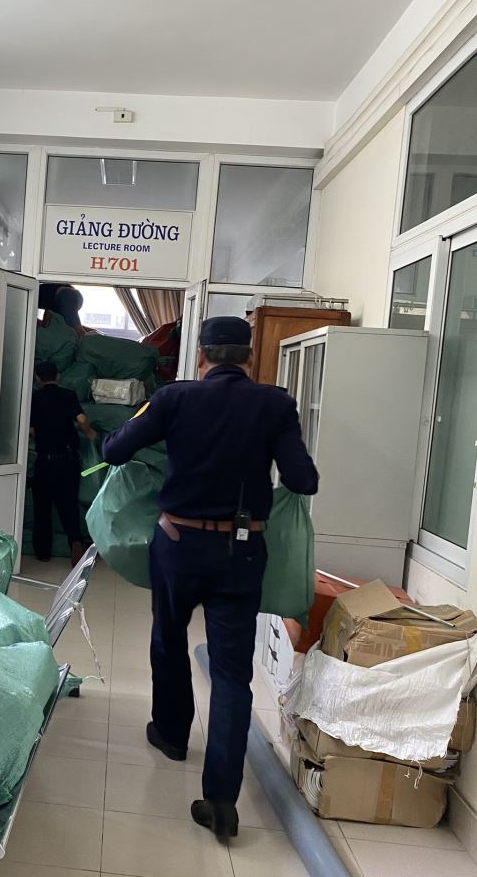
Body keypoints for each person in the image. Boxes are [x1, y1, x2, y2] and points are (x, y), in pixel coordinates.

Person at [101, 316, 318, 839]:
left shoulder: (174, 399)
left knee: (168, 639)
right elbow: (302, 479)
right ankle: (221, 800)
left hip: (177, 545)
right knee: (231, 673)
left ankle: (172, 733)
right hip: (241, 554)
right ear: (248, 358)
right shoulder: (274, 404)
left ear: (200, 356)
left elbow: (114, 451)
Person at [30, 360, 98, 567]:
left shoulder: (34, 398)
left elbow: (31, 430)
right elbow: (82, 419)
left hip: (45, 460)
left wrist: (42, 436)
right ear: (58, 376)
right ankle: (75, 542)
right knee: (68, 504)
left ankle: (43, 553)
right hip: (67, 460)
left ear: (37, 378)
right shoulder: (68, 395)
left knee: (42, 507)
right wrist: (91, 434)